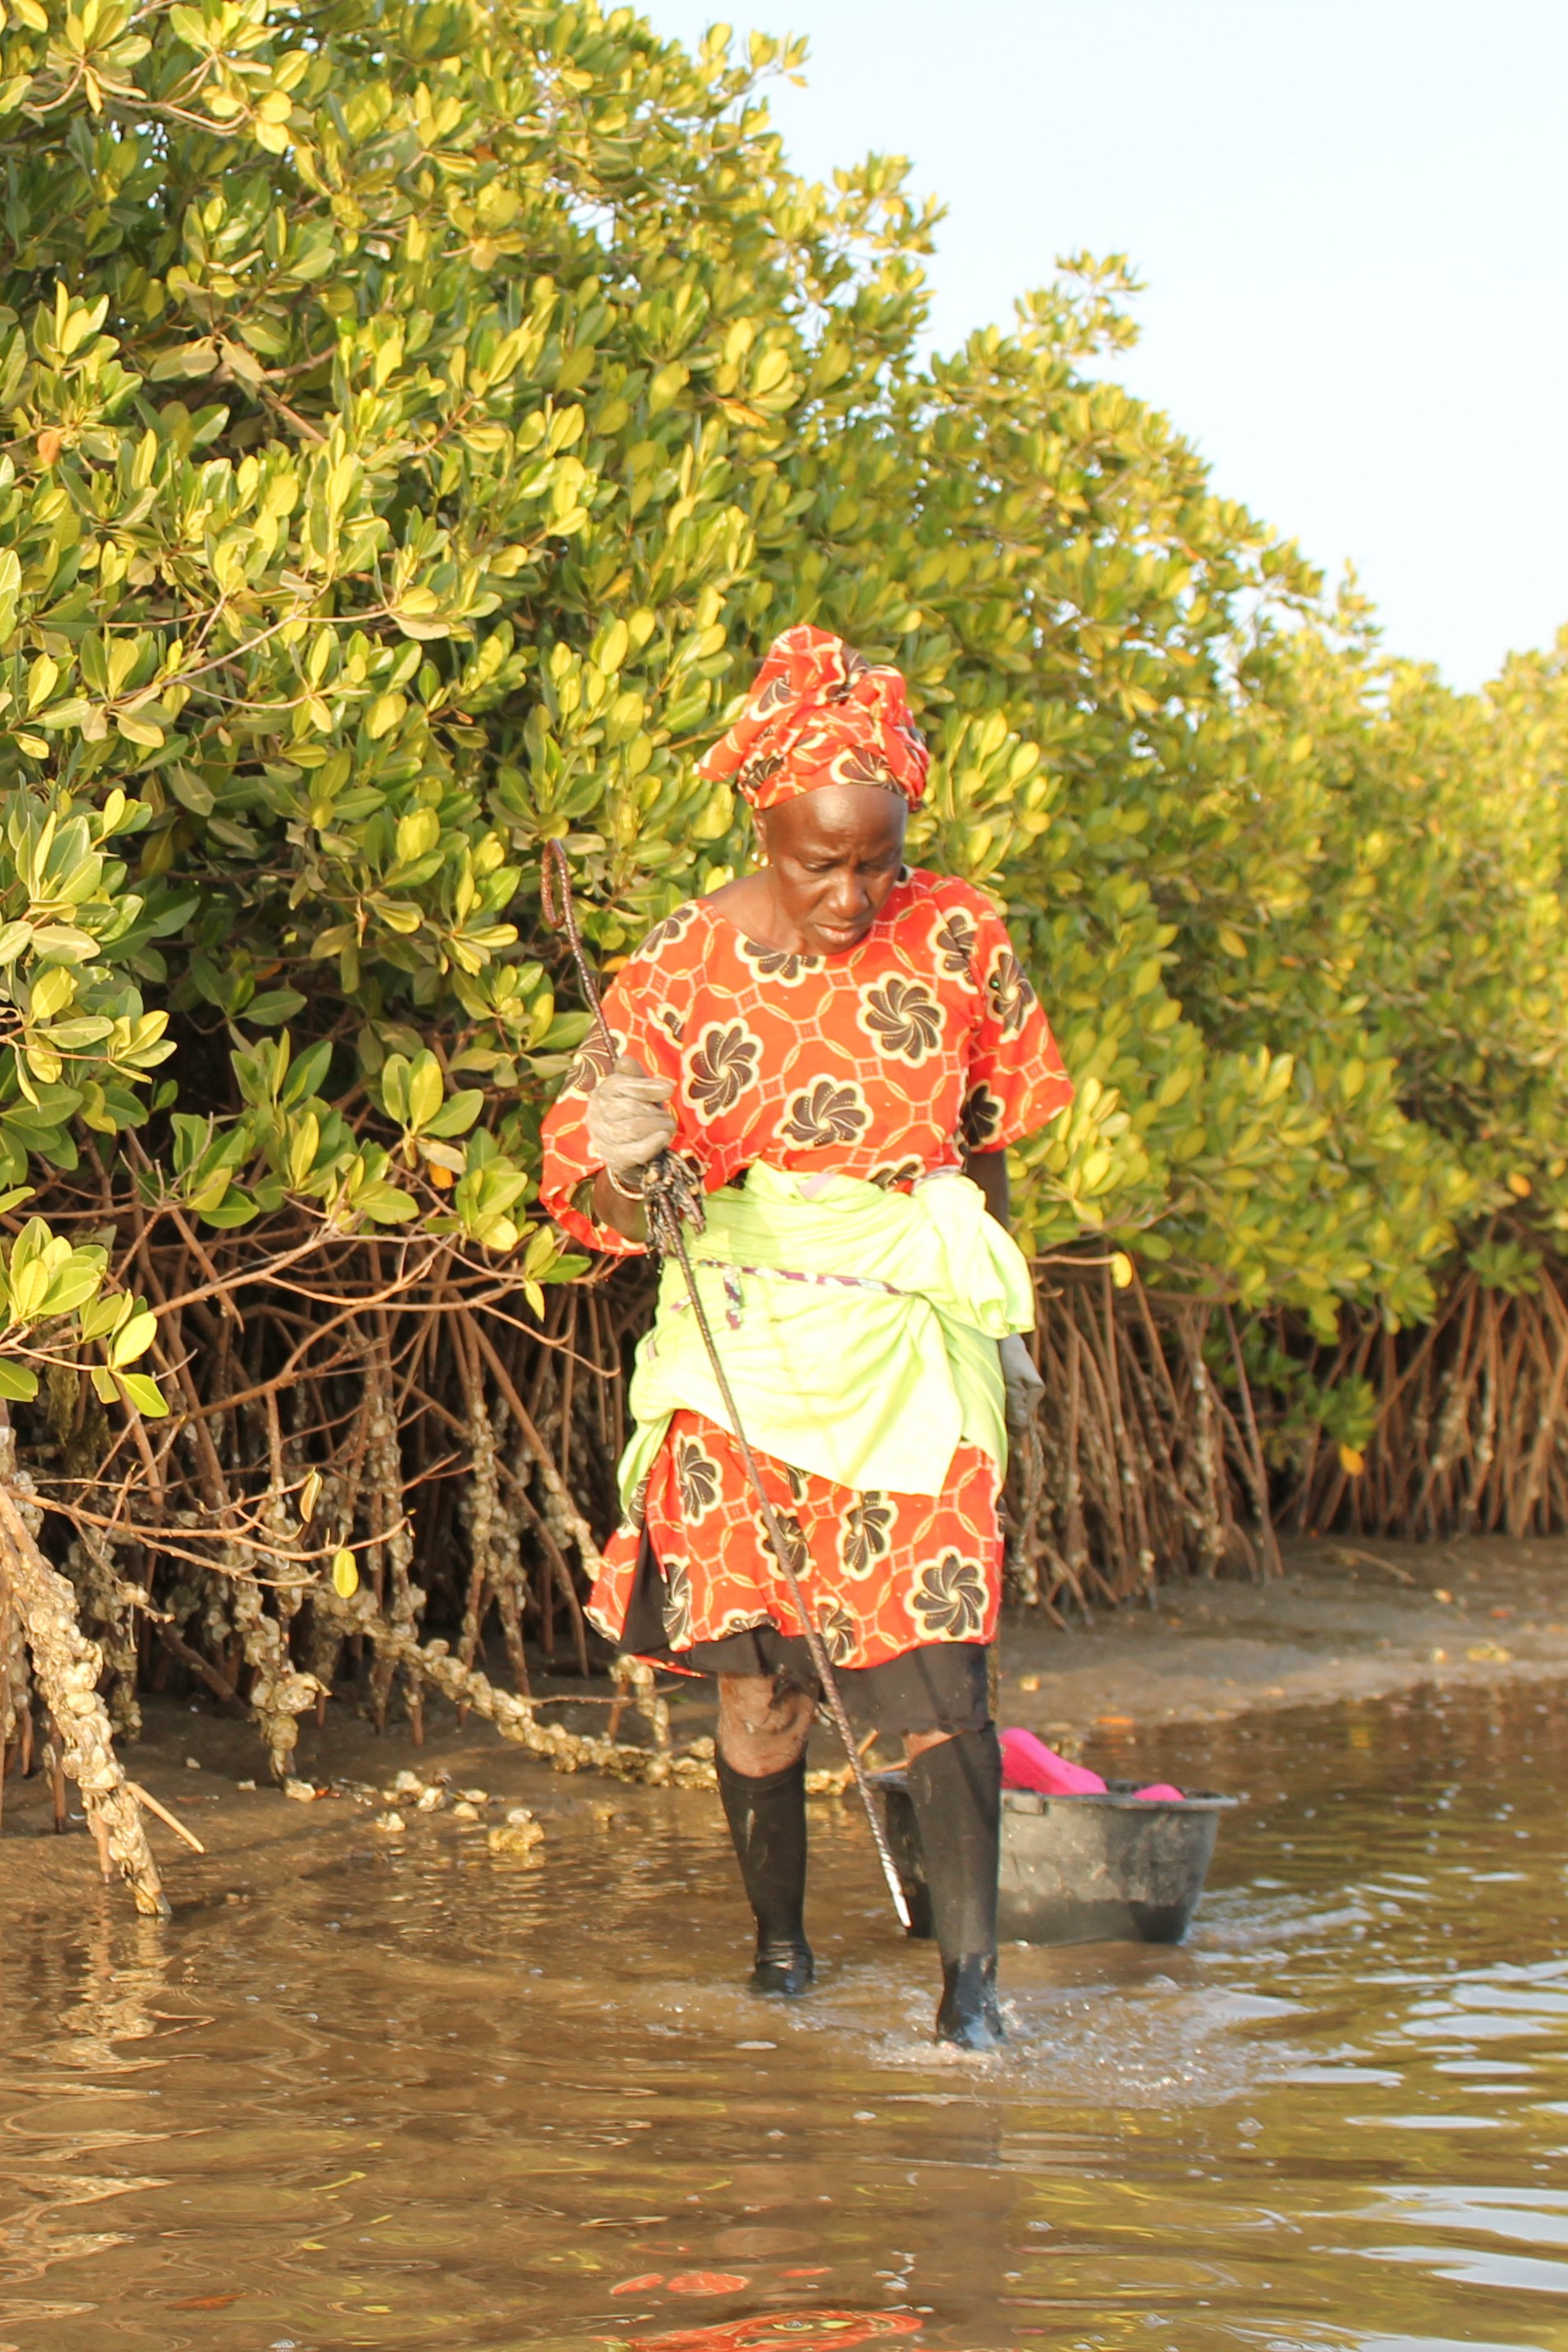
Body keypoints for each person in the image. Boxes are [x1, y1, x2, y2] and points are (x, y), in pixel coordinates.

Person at [539, 624, 1073, 2048]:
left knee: (946, 1676)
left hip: (916, 1340)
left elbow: (996, 1136)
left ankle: (974, 1997)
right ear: (762, 826)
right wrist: (629, 1152)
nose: (850, 893)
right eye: (816, 861)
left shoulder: (961, 933)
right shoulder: (676, 965)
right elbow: (592, 1178)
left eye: (875, 861)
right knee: (764, 1683)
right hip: (739, 1352)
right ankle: (781, 1952)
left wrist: (1008, 1311)